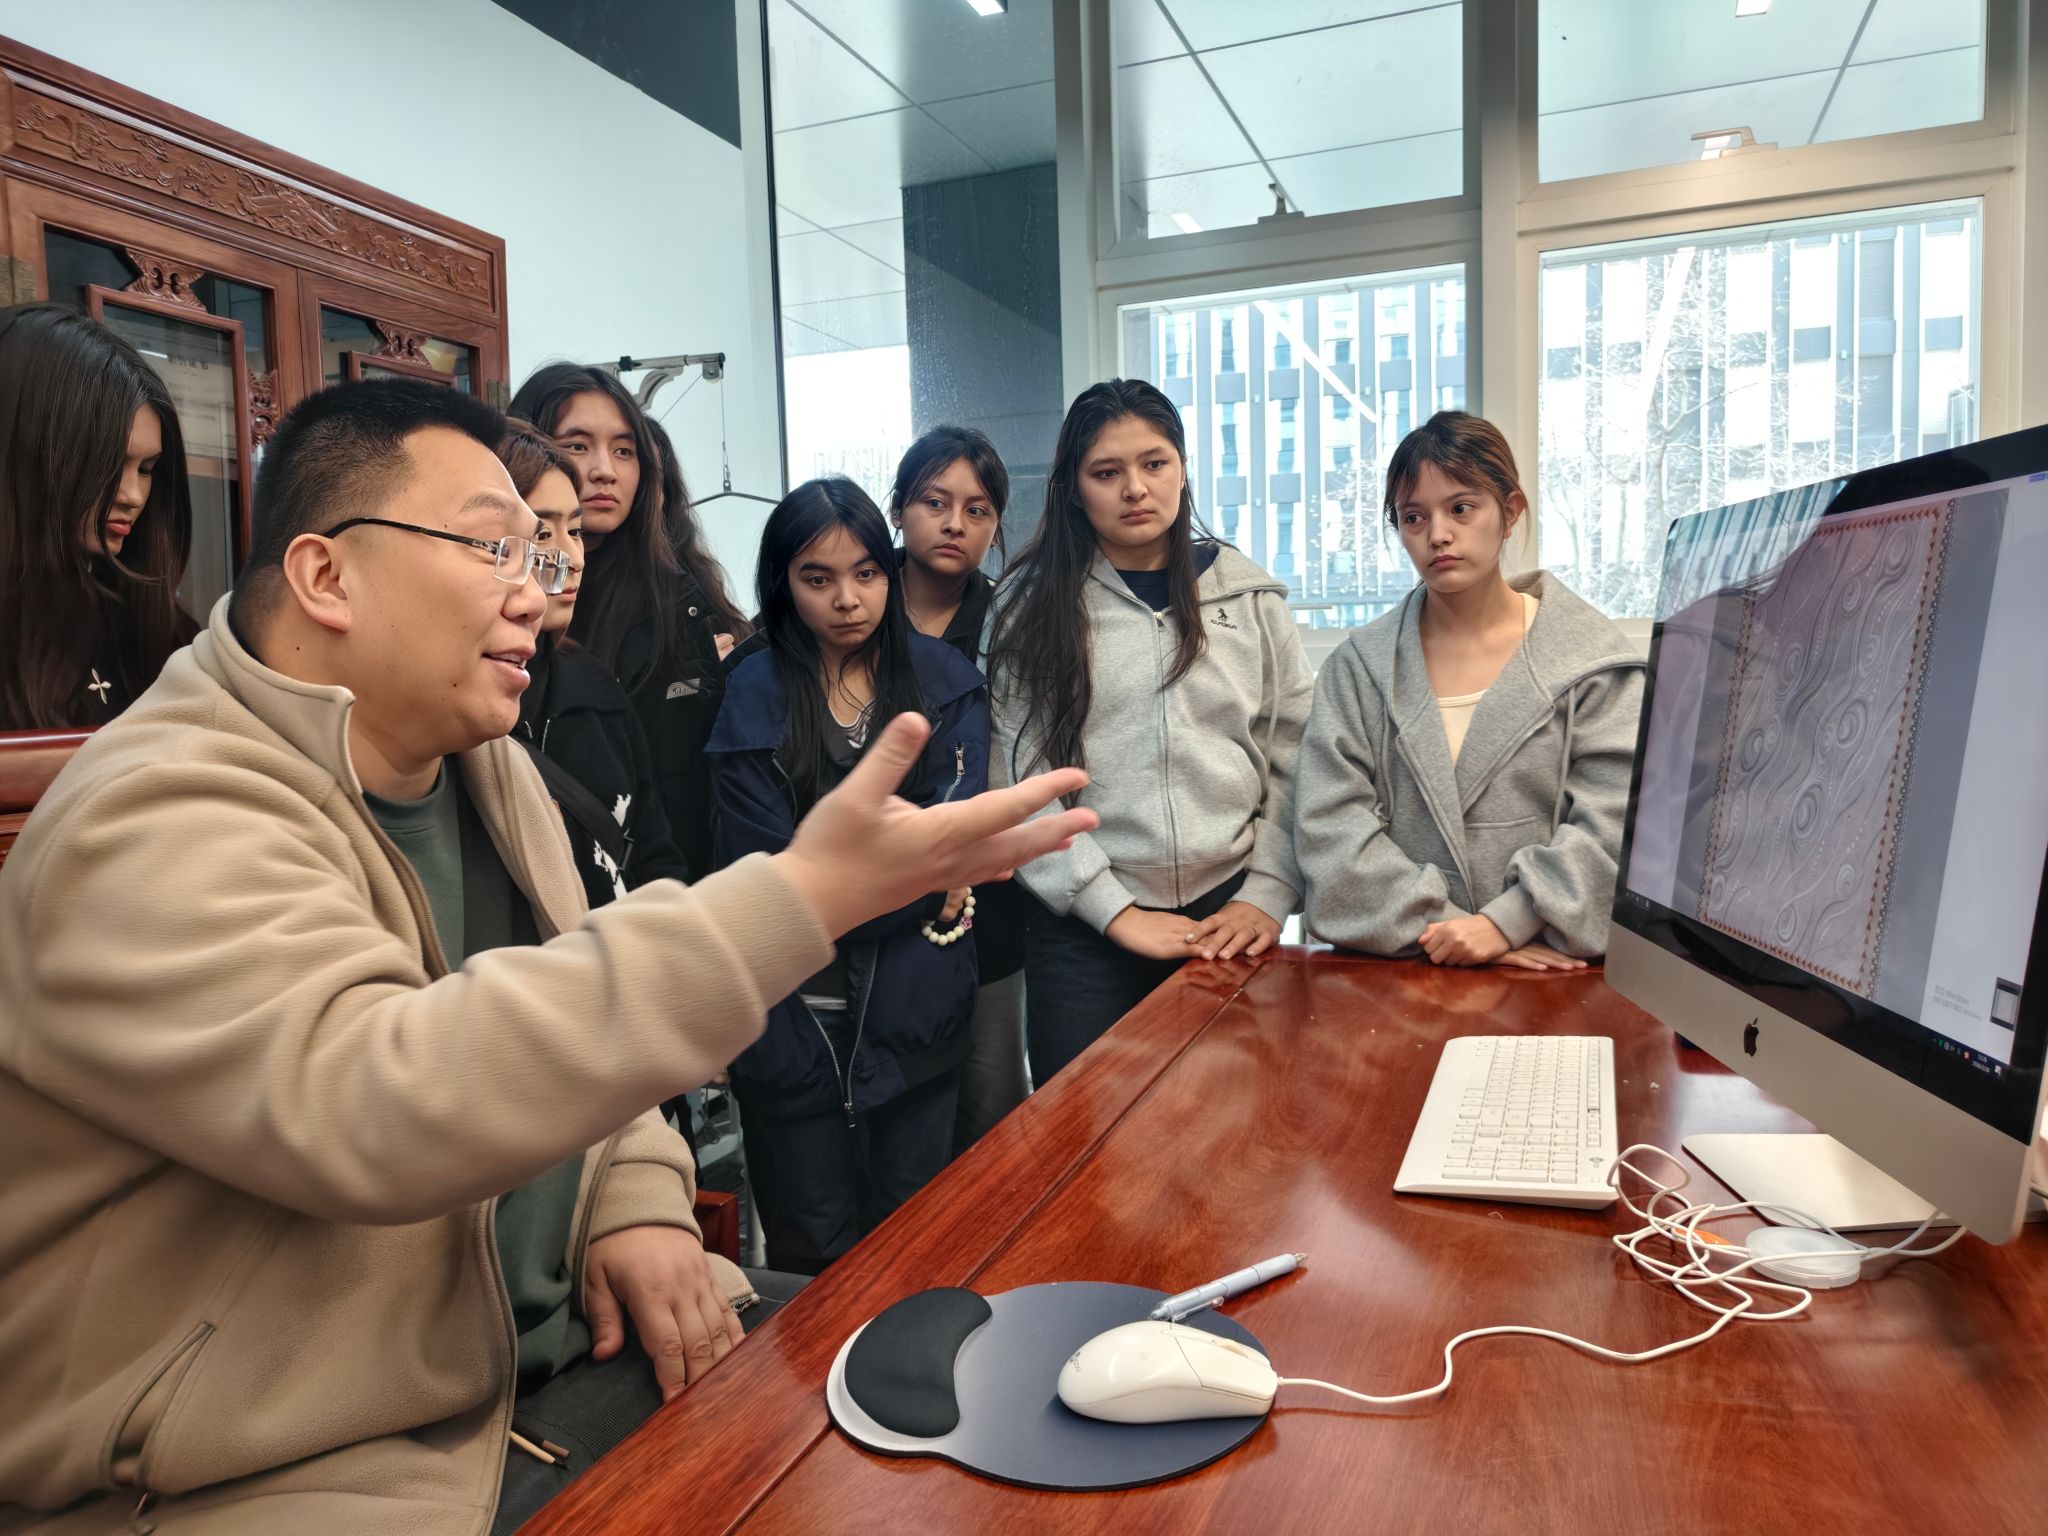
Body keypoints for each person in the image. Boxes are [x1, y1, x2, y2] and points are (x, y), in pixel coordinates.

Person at [0, 379, 1094, 1536]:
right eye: (494, 549)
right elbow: (380, 1101)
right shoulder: (152, 812)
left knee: (957, 1427)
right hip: (296, 1460)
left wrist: (636, 1204)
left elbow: (586, 1041)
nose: (537, 589)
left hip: (555, 1345)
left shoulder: (483, 763)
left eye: (542, 552)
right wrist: (799, 899)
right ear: (326, 575)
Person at [986, 379, 1314, 1086]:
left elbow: (1297, 759)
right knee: (1086, 1138)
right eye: (1107, 472)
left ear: (1183, 468)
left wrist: (1268, 892)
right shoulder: (1029, 604)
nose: (1135, 488)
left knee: (1233, 1124)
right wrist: (1113, 911)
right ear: (1074, 489)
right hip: (1082, 932)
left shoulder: (1251, 599)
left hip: (1231, 915)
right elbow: (1021, 782)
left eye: (1154, 463)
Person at [708, 477, 988, 1273]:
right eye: (817, 578)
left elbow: (950, 841)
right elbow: (763, 874)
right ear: (782, 583)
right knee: (808, 1258)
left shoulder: (947, 682)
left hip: (916, 1010)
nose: (846, 600)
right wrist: (914, 880)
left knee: (916, 1248)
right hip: (789, 1017)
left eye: (866, 573)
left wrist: (846, 881)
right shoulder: (750, 691)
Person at [1294, 410, 1645, 966]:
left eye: (1461, 508)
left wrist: (1509, 923)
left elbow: (1618, 826)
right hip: (1396, 977)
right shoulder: (1356, 669)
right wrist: (1455, 932)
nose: (1438, 534)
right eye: (1413, 517)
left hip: (1553, 974)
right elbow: (1331, 836)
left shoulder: (1595, 662)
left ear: (1510, 511)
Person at [507, 364, 749, 880]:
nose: (604, 471)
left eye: (624, 450)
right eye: (577, 445)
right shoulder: (498, 610)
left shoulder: (680, 603)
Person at [887, 425, 1030, 1150]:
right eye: (934, 502)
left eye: (978, 511)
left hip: (985, 900)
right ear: (898, 509)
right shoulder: (854, 603)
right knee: (893, 1120)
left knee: (992, 1111)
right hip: (872, 891)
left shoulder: (1013, 621)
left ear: (996, 528)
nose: (954, 524)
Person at [497, 416, 688, 908]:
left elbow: (654, 857)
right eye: (542, 534)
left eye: (576, 530)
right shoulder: (459, 705)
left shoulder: (595, 687)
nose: (572, 558)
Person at [0, 302, 195, 730]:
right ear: (28, 455)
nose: (133, 496)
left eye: (146, 470)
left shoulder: (162, 628)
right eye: (107, 464)